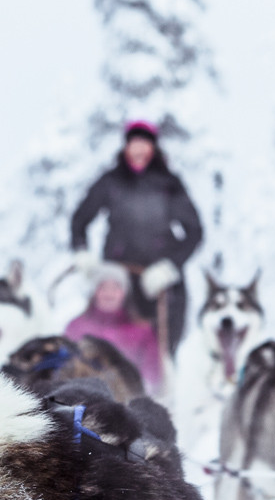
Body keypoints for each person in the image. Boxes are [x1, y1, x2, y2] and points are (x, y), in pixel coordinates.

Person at [69, 120, 203, 355]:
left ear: (153, 149)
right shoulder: (110, 182)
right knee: (112, 347)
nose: (140, 150)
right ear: (126, 147)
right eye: (135, 144)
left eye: (145, 144)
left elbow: (194, 231)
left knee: (162, 350)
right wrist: (81, 250)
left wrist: (170, 267)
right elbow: (80, 219)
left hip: (161, 284)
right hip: (119, 281)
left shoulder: (170, 184)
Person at [65, 262, 163, 392]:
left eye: (116, 288)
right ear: (95, 292)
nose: (109, 293)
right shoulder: (76, 327)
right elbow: (65, 367)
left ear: (124, 293)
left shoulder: (142, 331)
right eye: (103, 287)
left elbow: (152, 375)